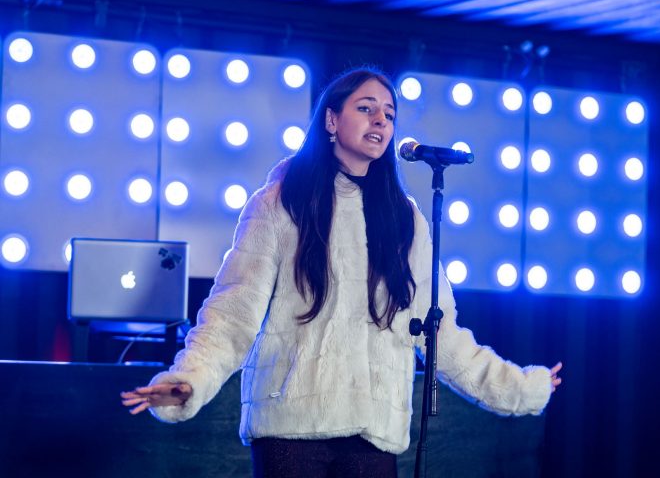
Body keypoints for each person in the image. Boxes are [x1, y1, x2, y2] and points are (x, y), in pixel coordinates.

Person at [121, 67, 563, 478]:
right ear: (331, 120)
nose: (381, 120)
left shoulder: (404, 219)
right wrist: (190, 379)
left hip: (372, 432)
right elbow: (232, 314)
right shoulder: (280, 202)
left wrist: (520, 388)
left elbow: (440, 333)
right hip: (290, 429)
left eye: (389, 114)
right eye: (366, 108)